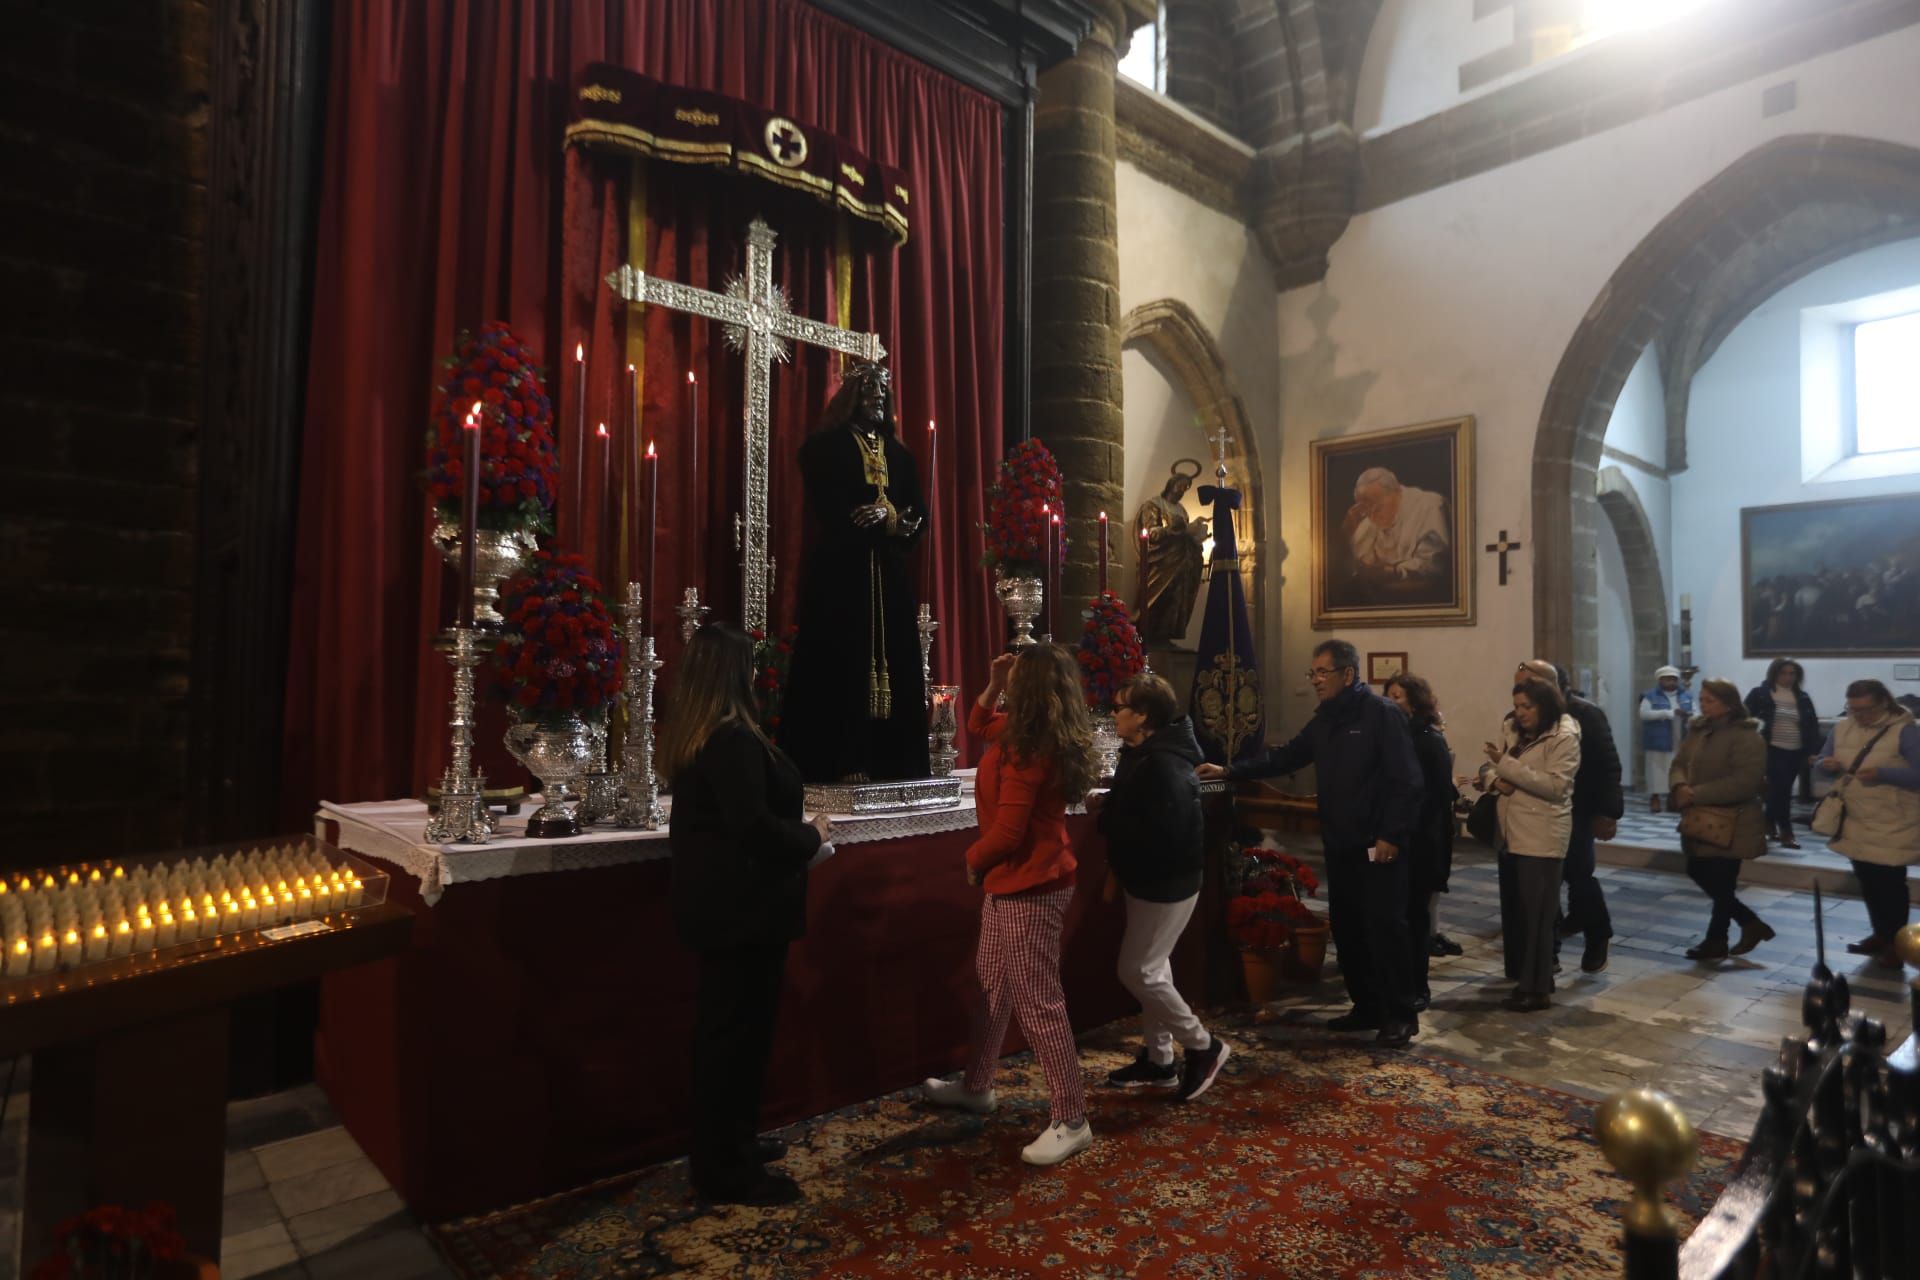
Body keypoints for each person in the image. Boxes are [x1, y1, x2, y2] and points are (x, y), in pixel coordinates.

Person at [661, 623, 835, 1206]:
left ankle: (732, 1141)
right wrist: (809, 835)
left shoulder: (705, 734)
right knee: (733, 1038)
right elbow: (754, 829)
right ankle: (723, 1168)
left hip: (732, 909)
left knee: (735, 1034)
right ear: (736, 674)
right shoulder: (731, 739)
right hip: (742, 912)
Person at [923, 645, 1100, 1165]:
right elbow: (978, 723)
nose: (1010, 683)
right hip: (1017, 882)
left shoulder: (1030, 748)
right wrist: (995, 682)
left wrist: (973, 861)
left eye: (1017, 677)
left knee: (1039, 1003)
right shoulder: (1027, 732)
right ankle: (978, 1086)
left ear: (1035, 689)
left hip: (1029, 885)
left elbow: (1008, 831)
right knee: (992, 984)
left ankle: (1072, 1119)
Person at [1198, 638, 1423, 1047]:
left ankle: (1400, 1014)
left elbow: (1406, 781)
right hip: (1341, 842)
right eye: (1313, 673)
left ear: (1348, 675)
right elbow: (1286, 758)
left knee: (1386, 927)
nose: (1316, 680)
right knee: (1350, 928)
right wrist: (1230, 770)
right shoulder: (1325, 720)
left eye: (1323, 672)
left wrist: (1392, 833)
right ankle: (1367, 1007)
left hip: (1378, 843)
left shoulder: (1381, 715)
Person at [781, 360, 929, 783]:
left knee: (897, 662)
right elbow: (833, 510)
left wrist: (892, 519)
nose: (877, 398)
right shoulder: (826, 448)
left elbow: (917, 512)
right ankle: (840, 757)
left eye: (882, 392)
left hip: (888, 574)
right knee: (840, 660)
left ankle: (894, 761)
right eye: (868, 391)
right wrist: (886, 519)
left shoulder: (900, 456)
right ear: (851, 397)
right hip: (842, 577)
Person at [1089, 673, 1230, 1100]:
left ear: (1143, 716)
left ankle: (1204, 1046)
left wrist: (1111, 819)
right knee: (1155, 965)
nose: (1113, 714)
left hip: (1166, 879)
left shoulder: (1165, 763)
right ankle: (1160, 1060)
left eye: (1119, 708)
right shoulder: (1146, 752)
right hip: (1150, 876)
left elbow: (1165, 830)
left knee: (1138, 970)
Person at [1475, 677, 1579, 1012]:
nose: (1520, 713)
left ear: (1544, 705)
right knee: (1524, 916)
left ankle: (1537, 990)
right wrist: (1494, 780)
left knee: (1538, 917)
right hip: (1514, 834)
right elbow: (1495, 768)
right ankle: (1532, 981)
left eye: (1527, 707)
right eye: (1517, 706)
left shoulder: (1563, 736)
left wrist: (1505, 768)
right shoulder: (1518, 732)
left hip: (1542, 836)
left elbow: (1555, 786)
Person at [1518, 659, 1621, 975]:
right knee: (1544, 886)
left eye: (1530, 682)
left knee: (1579, 879)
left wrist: (1608, 812)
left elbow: (1607, 765)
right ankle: (1549, 953)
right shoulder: (1522, 716)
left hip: (1578, 810)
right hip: (1537, 813)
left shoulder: (1585, 714)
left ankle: (1597, 936)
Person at [1816, 679, 1920, 968]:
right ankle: (1880, 934)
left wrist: (1885, 774)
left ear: (1884, 703)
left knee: (1890, 885)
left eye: (1865, 710)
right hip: (1855, 817)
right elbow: (1821, 763)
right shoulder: (1842, 727)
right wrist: (1825, 765)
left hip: (1894, 820)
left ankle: (1898, 944)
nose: (1859, 716)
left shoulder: (1905, 731)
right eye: (1853, 709)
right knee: (1868, 881)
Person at [1674, 679, 1774, 961]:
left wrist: (1695, 793)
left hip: (1734, 820)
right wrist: (1680, 785)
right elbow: (1679, 762)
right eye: (1702, 700)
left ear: (1729, 704)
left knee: (1722, 880)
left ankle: (1717, 940)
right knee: (1698, 870)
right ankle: (1750, 924)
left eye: (1710, 701)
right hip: (1700, 817)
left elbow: (1745, 781)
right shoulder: (1698, 731)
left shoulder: (1747, 736)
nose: (1703, 705)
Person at [1382, 672, 1454, 1009]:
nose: (1391, 702)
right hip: (1393, 839)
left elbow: (1437, 796)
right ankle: (1394, 983)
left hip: (1421, 841)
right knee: (1394, 915)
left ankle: (1417, 987)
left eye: (1398, 696)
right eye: (1389, 695)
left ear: (1414, 701)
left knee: (1415, 915)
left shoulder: (1428, 740)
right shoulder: (1391, 737)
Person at [1744, 658, 1819, 849]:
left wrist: (1812, 751)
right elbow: (1745, 720)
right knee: (1782, 790)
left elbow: (1811, 726)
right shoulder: (1760, 694)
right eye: (1783, 673)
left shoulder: (1802, 697)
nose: (1788, 677)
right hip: (1771, 748)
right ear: (1775, 674)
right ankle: (1786, 831)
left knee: (1779, 791)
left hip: (1795, 750)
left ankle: (1768, 822)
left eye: (1792, 673)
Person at [1133, 460, 1209, 647]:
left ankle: (1165, 635)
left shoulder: (1182, 510)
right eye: (1180, 486)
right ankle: (1148, 634)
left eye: (1185, 488)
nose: (1182, 491)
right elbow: (1151, 533)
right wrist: (1174, 529)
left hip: (1181, 562)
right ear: (1171, 485)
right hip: (1161, 563)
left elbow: (1184, 533)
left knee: (1177, 598)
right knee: (1159, 596)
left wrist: (1196, 535)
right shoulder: (1154, 504)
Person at [1344, 466, 1451, 587]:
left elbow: (1434, 566)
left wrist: (1393, 572)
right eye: (1366, 510)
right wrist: (1349, 533)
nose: (1372, 516)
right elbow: (1358, 565)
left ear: (1396, 492)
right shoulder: (1367, 521)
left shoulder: (1430, 506)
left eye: (1378, 507)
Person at [1638, 666, 1693, 812]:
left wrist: (1689, 715)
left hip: (1680, 737)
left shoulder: (1686, 695)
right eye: (1667, 679)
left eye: (1673, 679)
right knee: (1656, 771)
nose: (1670, 682)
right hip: (1658, 738)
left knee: (1676, 769)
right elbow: (1644, 714)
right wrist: (1668, 713)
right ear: (1660, 680)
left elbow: (1696, 712)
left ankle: (1672, 798)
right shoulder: (1650, 696)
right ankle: (1655, 798)